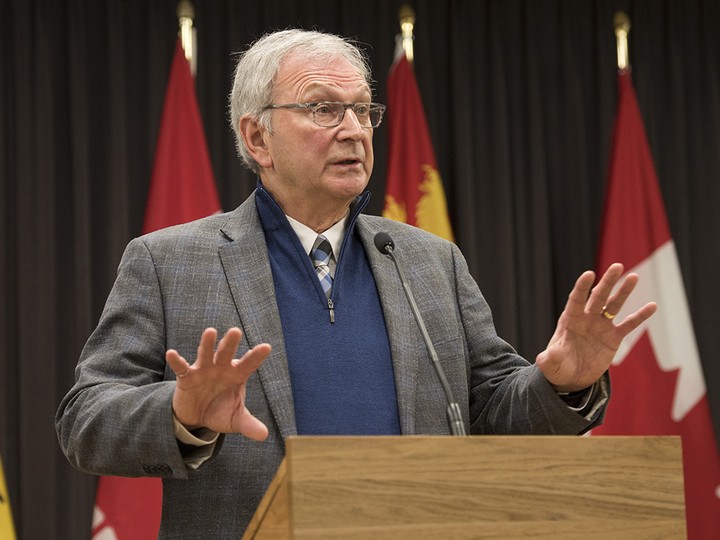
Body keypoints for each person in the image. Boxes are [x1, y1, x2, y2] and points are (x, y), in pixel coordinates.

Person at [55, 29, 656, 538]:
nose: (353, 130)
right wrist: (182, 412)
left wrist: (560, 383)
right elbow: (85, 421)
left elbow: (490, 411)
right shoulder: (170, 262)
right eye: (322, 109)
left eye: (363, 109)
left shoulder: (429, 262)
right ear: (257, 138)